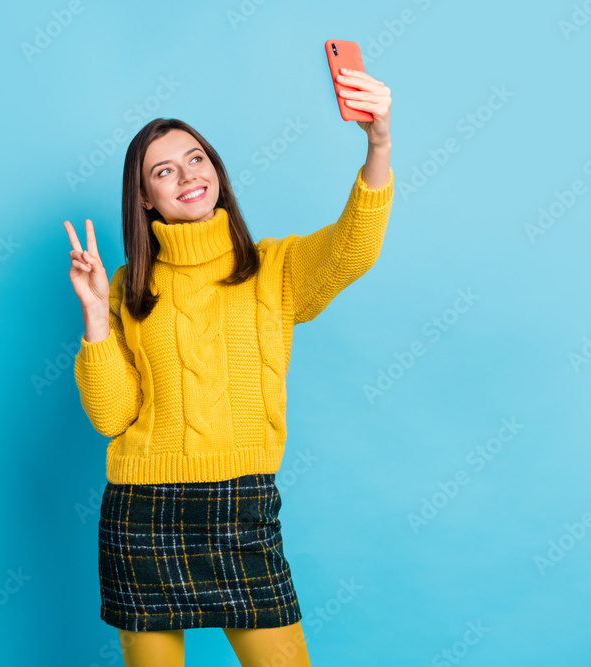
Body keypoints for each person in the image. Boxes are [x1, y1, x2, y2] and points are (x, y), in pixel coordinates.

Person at [63, 68, 393, 667]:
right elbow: (112, 415)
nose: (187, 176)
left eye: (196, 159)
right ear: (144, 197)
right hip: (143, 510)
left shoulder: (275, 268)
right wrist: (94, 316)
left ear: (215, 170)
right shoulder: (124, 287)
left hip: (242, 504)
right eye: (164, 170)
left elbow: (354, 247)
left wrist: (378, 144)